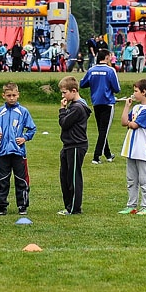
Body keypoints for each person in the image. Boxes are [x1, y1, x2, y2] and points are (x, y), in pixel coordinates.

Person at [0, 83, 36, 215]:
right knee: (2, 180)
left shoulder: (23, 112)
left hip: (18, 152)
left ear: (18, 95)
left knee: (21, 180)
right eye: (8, 95)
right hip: (3, 152)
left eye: (14, 95)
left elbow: (32, 128)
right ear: (3, 95)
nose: (11, 98)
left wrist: (25, 138)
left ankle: (22, 205)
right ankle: (2, 206)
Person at [118, 78, 146, 215]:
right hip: (131, 148)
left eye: (136, 91)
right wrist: (127, 106)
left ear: (144, 92)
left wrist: (130, 122)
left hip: (142, 148)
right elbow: (124, 122)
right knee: (131, 179)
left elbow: (134, 125)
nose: (133, 94)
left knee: (144, 179)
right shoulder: (136, 107)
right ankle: (131, 205)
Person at [57, 76, 91, 216]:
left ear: (74, 90)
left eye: (64, 92)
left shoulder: (77, 107)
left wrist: (62, 109)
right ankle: (68, 205)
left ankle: (74, 208)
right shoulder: (74, 106)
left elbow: (64, 123)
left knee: (73, 178)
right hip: (68, 145)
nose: (63, 95)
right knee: (65, 176)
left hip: (76, 145)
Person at [80, 48, 121, 164]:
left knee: (102, 130)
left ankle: (108, 154)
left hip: (96, 102)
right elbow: (117, 89)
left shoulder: (91, 70)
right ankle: (96, 156)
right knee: (104, 130)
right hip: (108, 102)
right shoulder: (110, 70)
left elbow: (83, 84)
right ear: (107, 57)